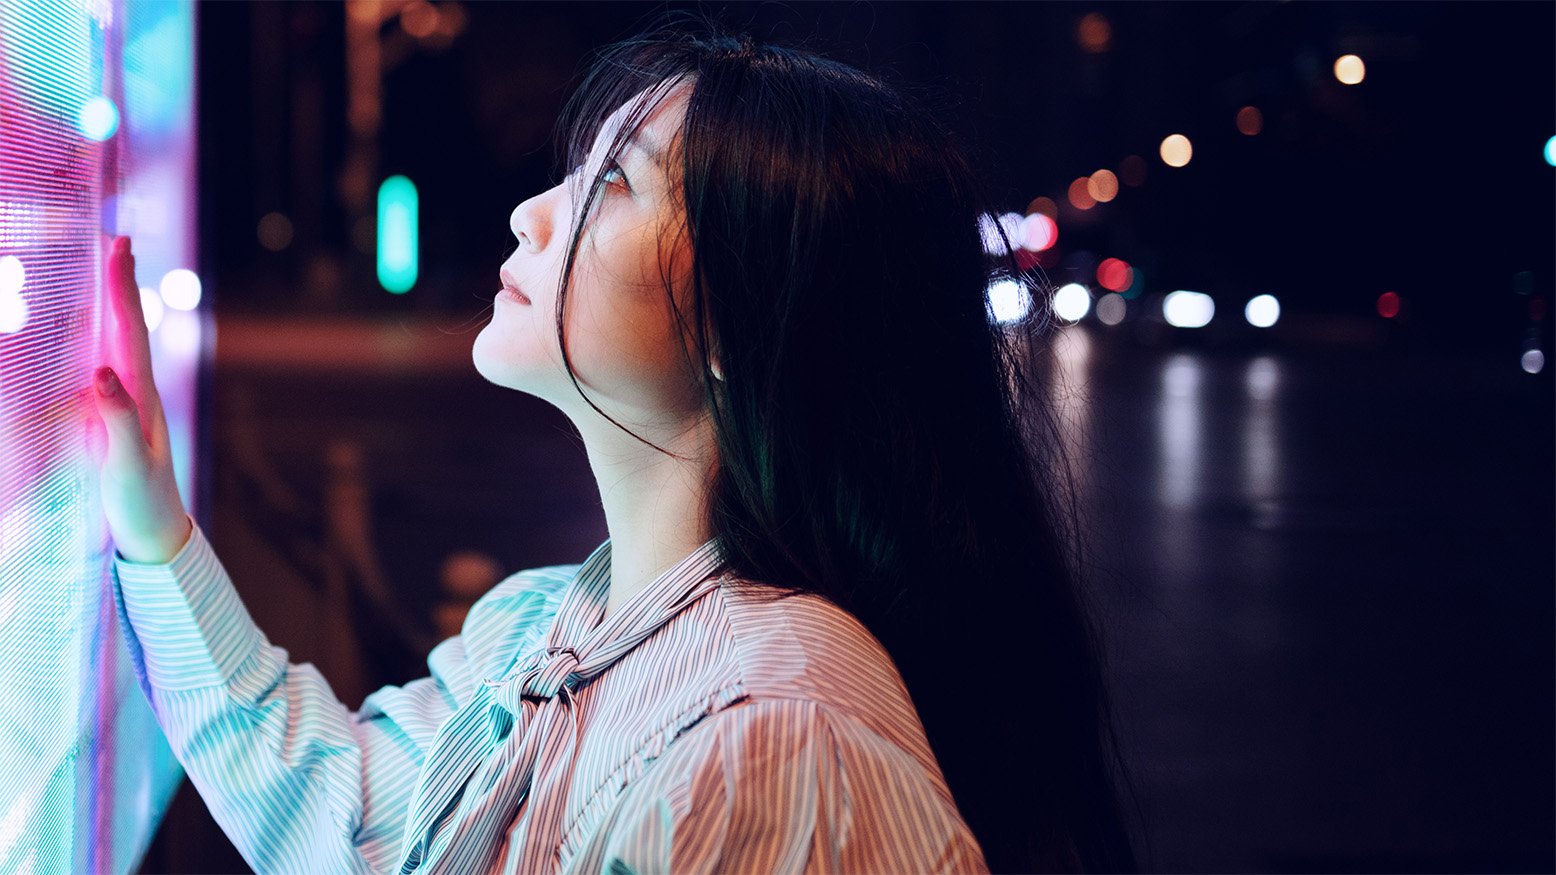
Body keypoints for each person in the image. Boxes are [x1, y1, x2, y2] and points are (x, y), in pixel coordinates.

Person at [90, 17, 1140, 875]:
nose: (531, 214)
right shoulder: (545, 628)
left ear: (743, 318)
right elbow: (345, 811)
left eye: (610, 187)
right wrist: (154, 528)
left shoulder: (771, 737)